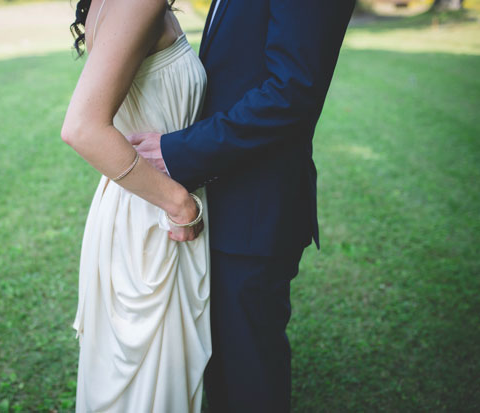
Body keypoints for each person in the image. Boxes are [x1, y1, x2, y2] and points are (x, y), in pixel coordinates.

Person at [127, 0, 356, 411]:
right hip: (223, 197)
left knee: (248, 377)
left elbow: (292, 92)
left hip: (255, 210)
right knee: (221, 371)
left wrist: (178, 153)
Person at [60, 0, 212, 411]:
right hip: (155, 216)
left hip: (137, 205)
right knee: (153, 388)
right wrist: (179, 203)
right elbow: (81, 128)